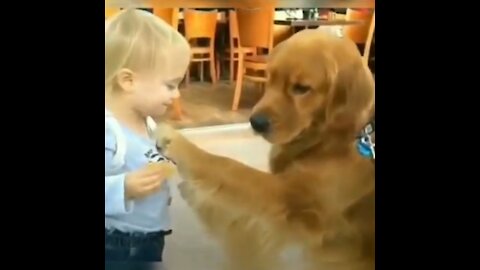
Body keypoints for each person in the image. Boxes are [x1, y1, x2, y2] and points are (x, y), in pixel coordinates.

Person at [105, 8, 191, 266]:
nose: (176, 95)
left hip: (150, 235)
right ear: (128, 81)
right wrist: (123, 187)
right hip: (116, 245)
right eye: (170, 85)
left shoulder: (148, 123)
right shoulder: (110, 134)